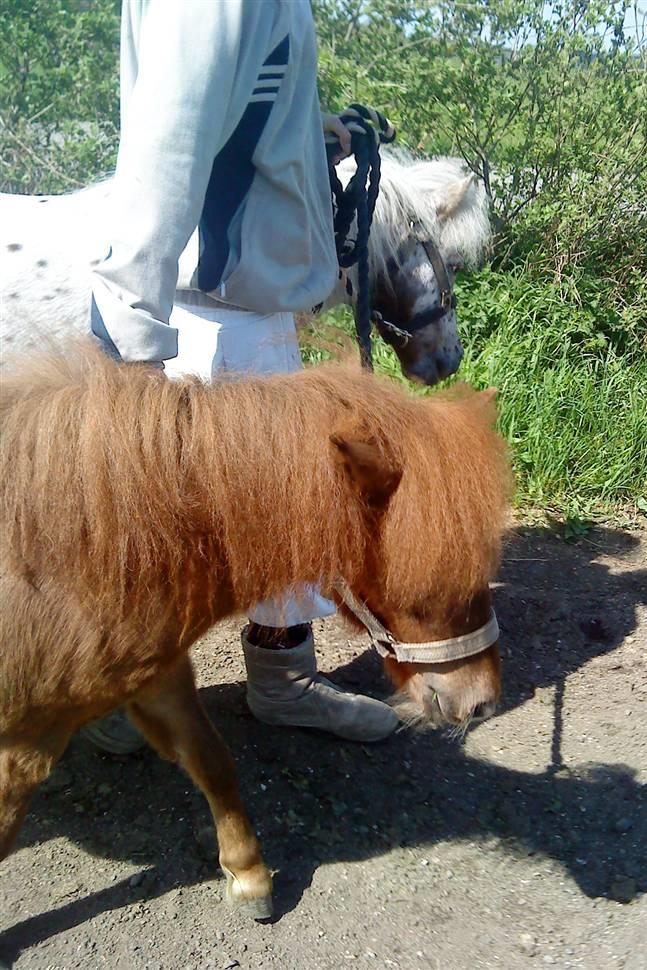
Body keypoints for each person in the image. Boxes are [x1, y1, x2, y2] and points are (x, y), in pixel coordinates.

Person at [83, 0, 398, 754]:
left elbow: (235, 106)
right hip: (199, 313)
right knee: (169, 530)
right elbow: (169, 139)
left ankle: (281, 681)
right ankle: (123, 690)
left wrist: (306, 127)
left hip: (247, 307)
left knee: (290, 519)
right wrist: (132, 337)